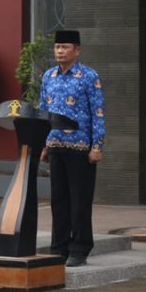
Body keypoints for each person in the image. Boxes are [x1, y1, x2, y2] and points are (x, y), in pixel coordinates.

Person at [39, 30, 105, 267]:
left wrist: (96, 146)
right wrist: (43, 144)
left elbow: (98, 113)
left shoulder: (89, 76)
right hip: (56, 145)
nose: (60, 51)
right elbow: (42, 112)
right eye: (57, 47)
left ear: (77, 50)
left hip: (81, 148)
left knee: (80, 201)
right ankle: (59, 248)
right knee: (59, 201)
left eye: (65, 47)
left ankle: (80, 248)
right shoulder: (48, 76)